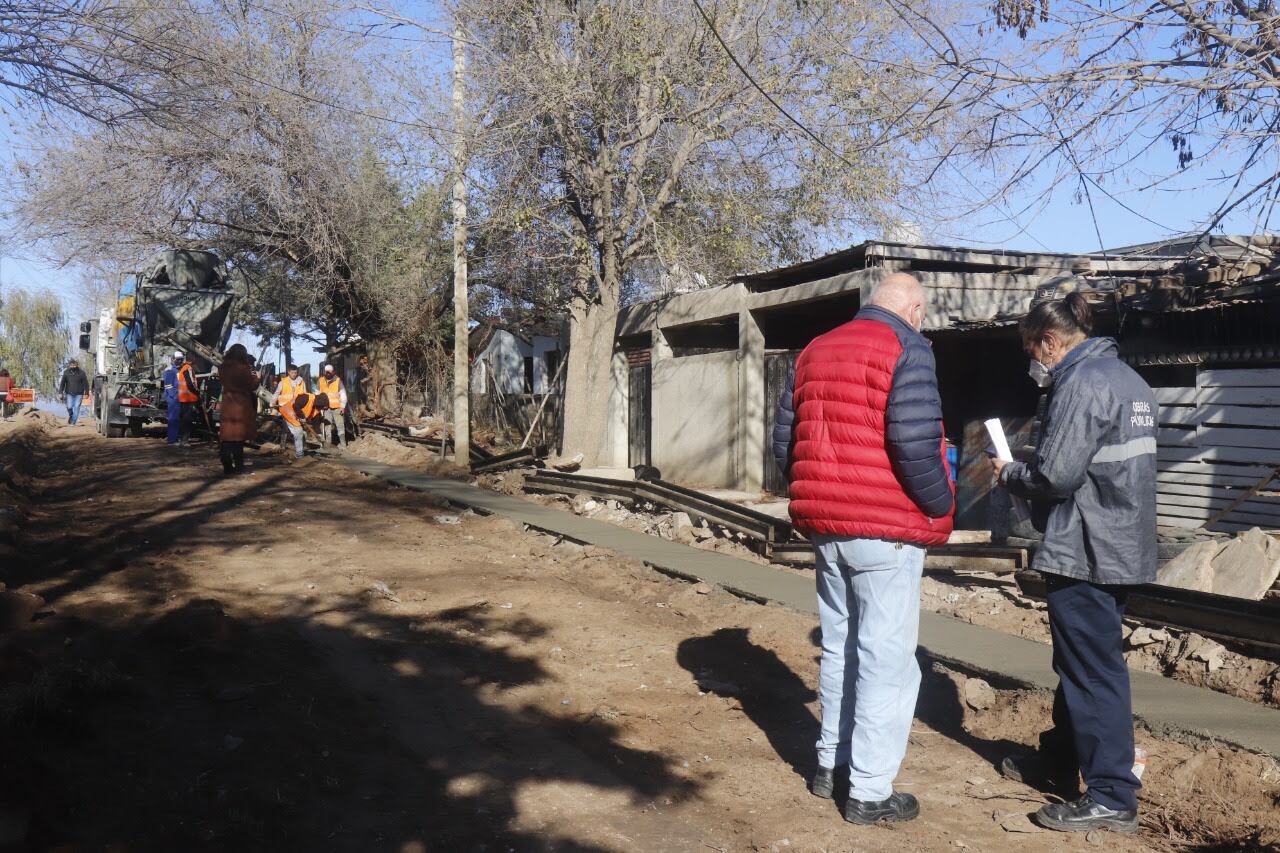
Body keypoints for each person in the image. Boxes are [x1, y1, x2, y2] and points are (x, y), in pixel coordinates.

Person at [772, 273, 954, 825]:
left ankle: (831, 764)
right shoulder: (907, 347)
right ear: (915, 308)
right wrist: (940, 505)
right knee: (887, 659)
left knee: (840, 646)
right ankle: (871, 791)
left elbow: (786, 440)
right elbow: (915, 441)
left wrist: (817, 491)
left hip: (827, 527)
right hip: (885, 530)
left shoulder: (816, 349)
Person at [992, 293, 1156, 834]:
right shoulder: (1127, 380)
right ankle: (1062, 759)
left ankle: (1111, 793)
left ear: (1050, 341)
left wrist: (1010, 473)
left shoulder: (1080, 383)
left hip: (1087, 546)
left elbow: (1056, 477)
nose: (1030, 360)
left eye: (1029, 348)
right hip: (1117, 543)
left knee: (1092, 671)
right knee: (1081, 663)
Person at [218, 344, 259, 476]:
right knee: (238, 438)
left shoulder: (222, 367)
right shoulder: (243, 368)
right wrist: (258, 378)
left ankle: (227, 466)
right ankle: (239, 466)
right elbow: (250, 385)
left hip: (227, 404)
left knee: (226, 437)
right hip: (240, 404)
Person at [280, 390, 329, 459]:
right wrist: (302, 416)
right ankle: (299, 455)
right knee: (298, 431)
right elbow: (295, 405)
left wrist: (319, 435)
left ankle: (298, 451)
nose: (321, 408)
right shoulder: (306, 397)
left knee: (299, 433)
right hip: (287, 412)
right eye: (322, 406)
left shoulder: (316, 410)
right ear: (319, 402)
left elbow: (316, 425)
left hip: (296, 418)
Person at [316, 363, 348, 451]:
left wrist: (342, 406)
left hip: (337, 407)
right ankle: (328, 444)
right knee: (327, 427)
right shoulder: (320, 381)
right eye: (326, 372)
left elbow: (343, 394)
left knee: (340, 426)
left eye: (329, 372)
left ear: (333, 372)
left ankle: (343, 444)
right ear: (324, 372)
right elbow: (317, 394)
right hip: (325, 408)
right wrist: (319, 406)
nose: (328, 373)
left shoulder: (338, 380)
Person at [176, 353, 201, 447]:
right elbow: (190, 384)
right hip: (189, 398)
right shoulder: (188, 368)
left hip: (183, 398)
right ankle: (185, 441)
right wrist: (197, 392)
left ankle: (181, 439)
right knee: (187, 420)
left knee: (183, 420)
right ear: (193, 358)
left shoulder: (182, 368)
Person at [57, 359, 90, 425]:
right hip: (69, 393)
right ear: (69, 365)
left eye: (74, 365)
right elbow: (62, 383)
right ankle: (71, 416)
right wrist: (60, 392)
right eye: (71, 365)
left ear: (77, 365)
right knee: (69, 407)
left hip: (79, 394)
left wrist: (86, 393)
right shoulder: (66, 372)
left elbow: (86, 383)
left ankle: (73, 422)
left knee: (77, 407)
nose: (73, 367)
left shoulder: (82, 373)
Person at [162, 351, 183, 445]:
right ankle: (171, 440)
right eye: (178, 359)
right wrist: (174, 396)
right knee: (173, 419)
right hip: (173, 398)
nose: (179, 361)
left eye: (181, 360)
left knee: (177, 419)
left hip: (178, 397)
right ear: (173, 359)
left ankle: (175, 438)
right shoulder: (169, 370)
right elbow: (168, 385)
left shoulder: (179, 369)